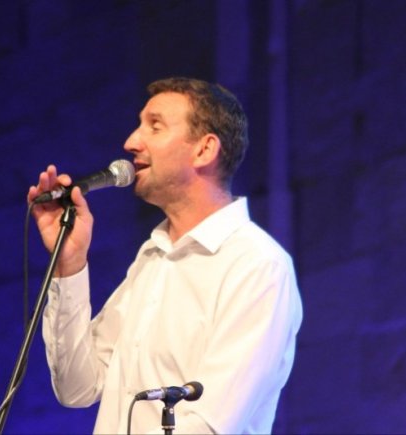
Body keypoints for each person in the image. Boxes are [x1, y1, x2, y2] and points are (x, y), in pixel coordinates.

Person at [28, 77, 303, 434]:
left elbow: (208, 425)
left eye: (154, 126)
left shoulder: (257, 265)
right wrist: (70, 264)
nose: (131, 142)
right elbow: (77, 387)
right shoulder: (153, 258)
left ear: (204, 150)